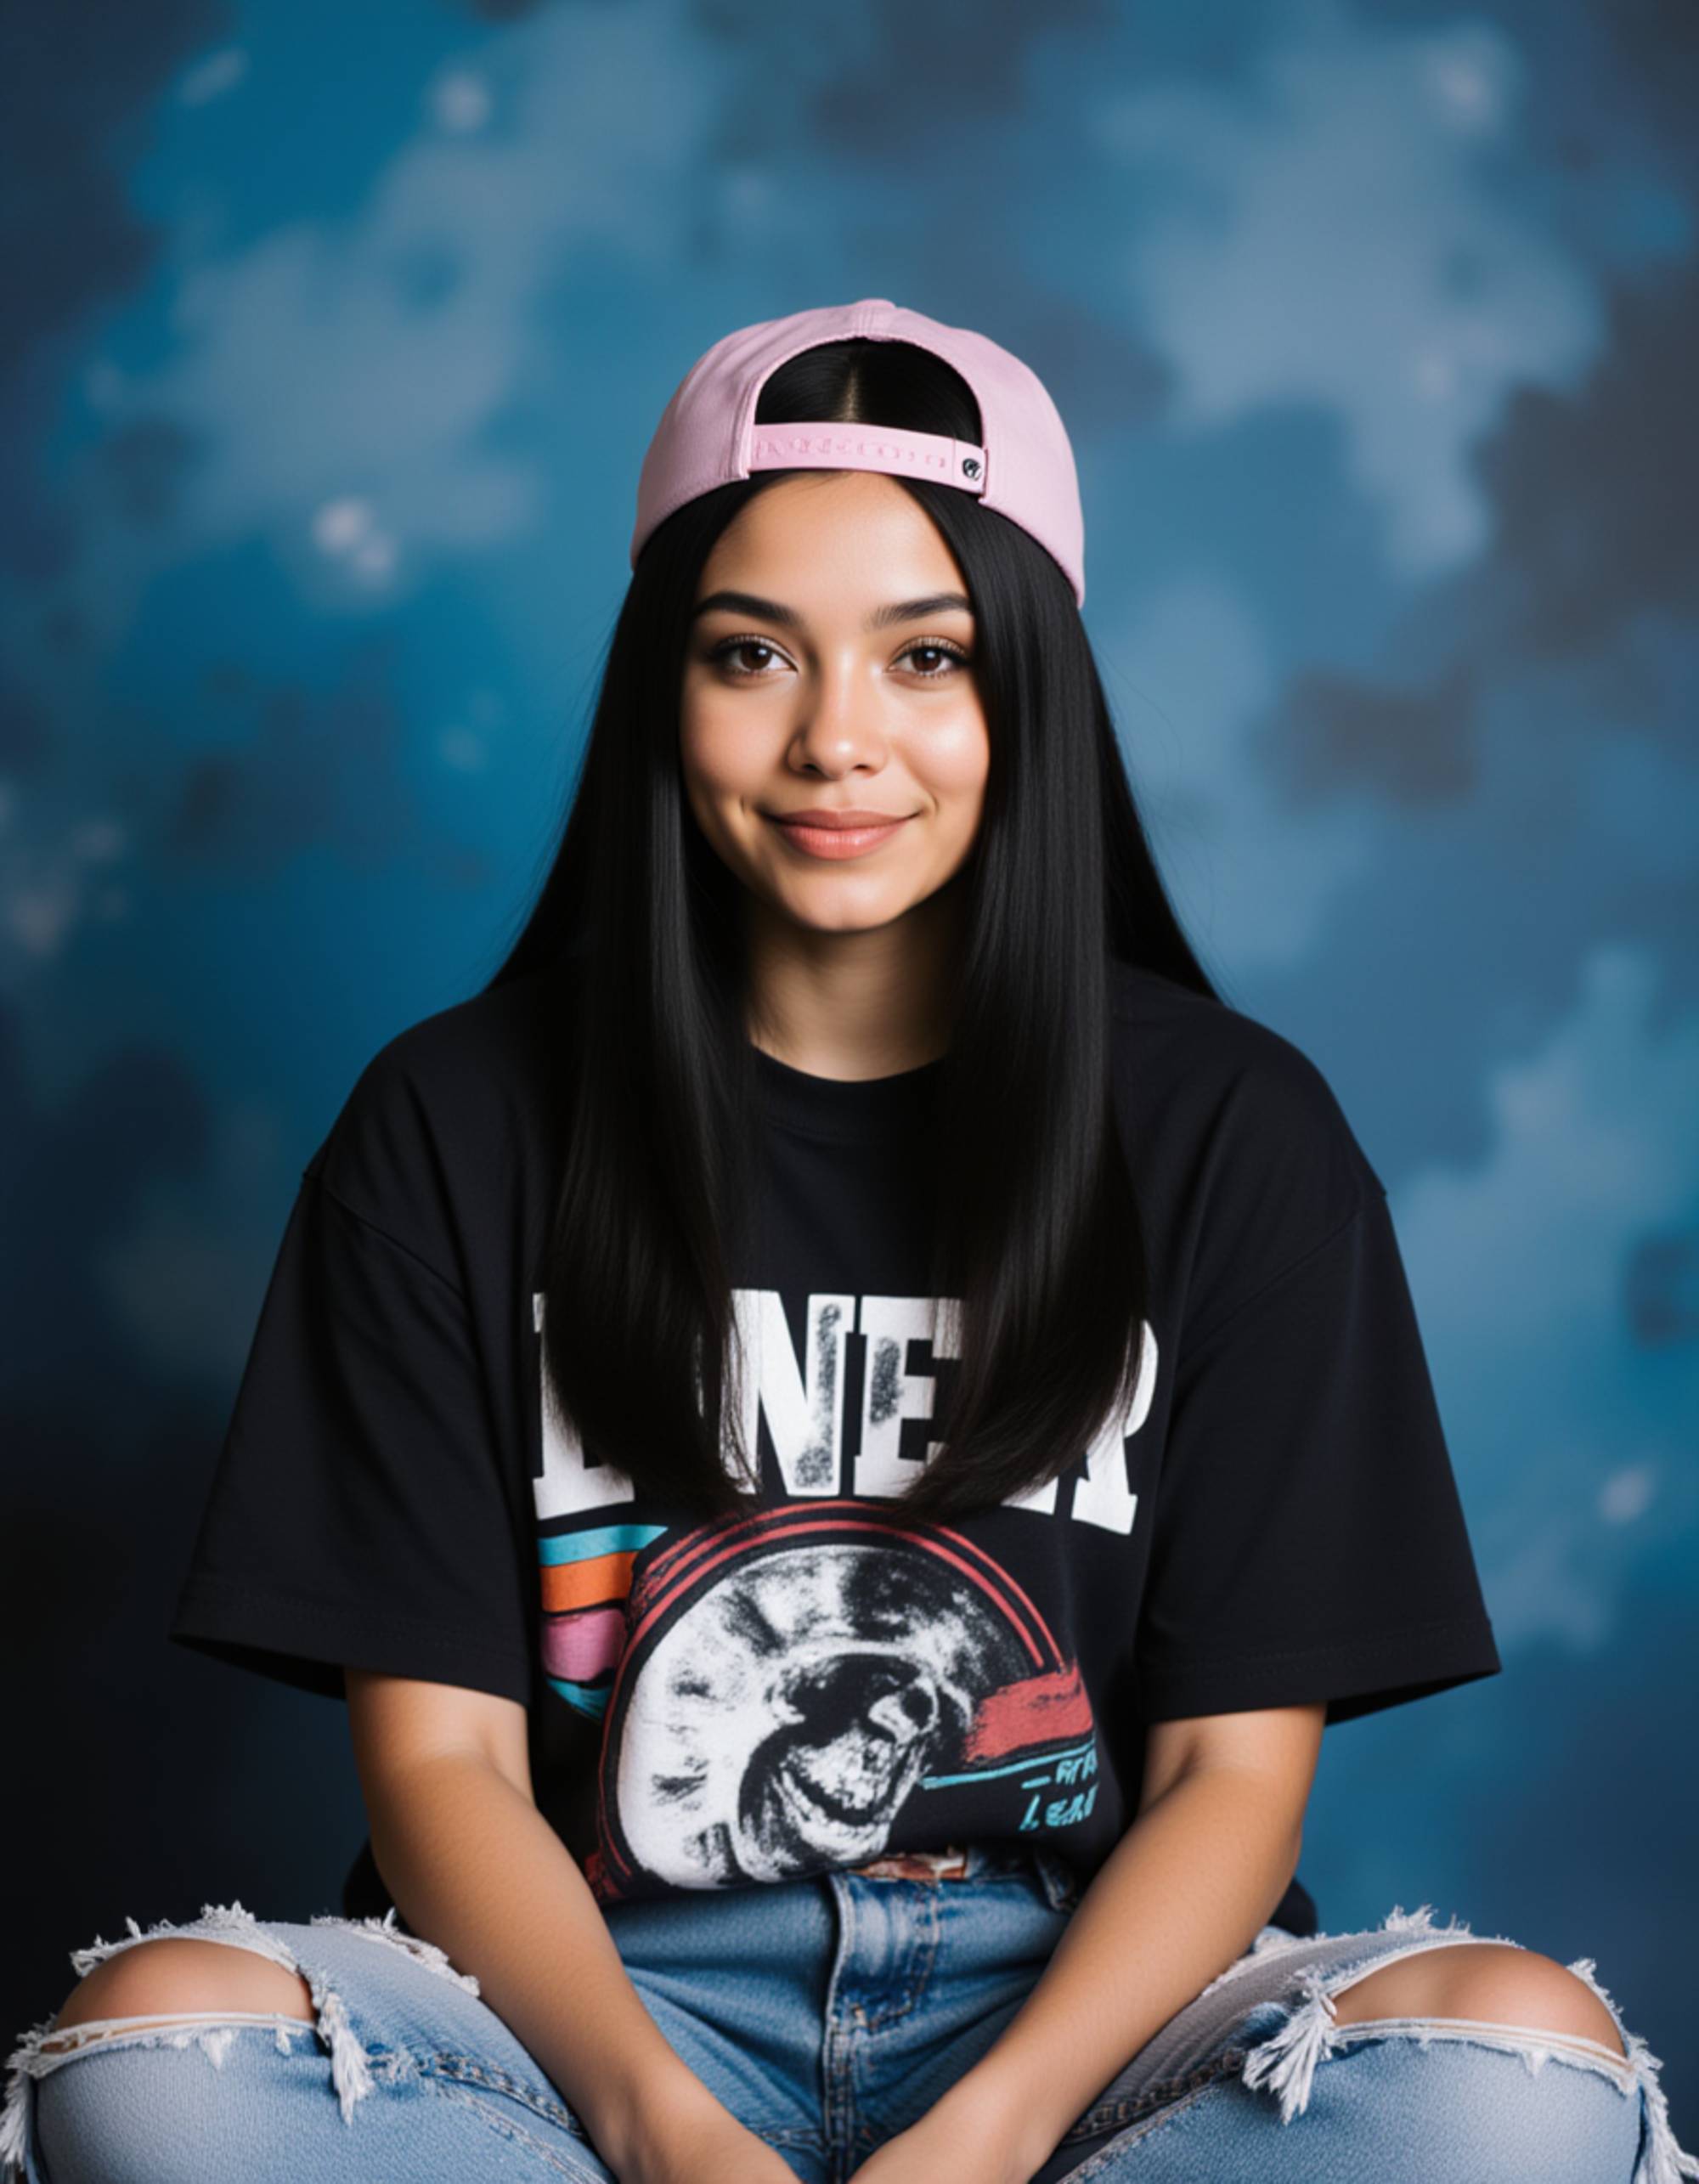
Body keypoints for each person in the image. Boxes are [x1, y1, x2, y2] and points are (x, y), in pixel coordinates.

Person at [3, 298, 1691, 2184]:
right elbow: (443, 1766)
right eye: (751, 655)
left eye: (928, 658)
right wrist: (661, 2133)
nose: (836, 741)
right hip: (580, 2019)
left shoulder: (1234, 1131)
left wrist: (988, 2137)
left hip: (1082, 2026)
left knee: (1516, 2075)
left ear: (1031, 689)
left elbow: (1229, 1776)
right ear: (666, 683)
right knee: (147, 2057)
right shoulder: (455, 1120)